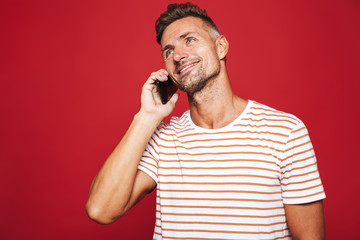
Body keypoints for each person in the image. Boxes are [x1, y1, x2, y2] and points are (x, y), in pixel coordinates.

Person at [86, 3, 326, 239]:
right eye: (168, 51)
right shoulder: (164, 139)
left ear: (220, 47)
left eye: (189, 40)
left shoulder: (285, 132)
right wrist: (147, 116)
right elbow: (100, 210)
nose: (178, 55)